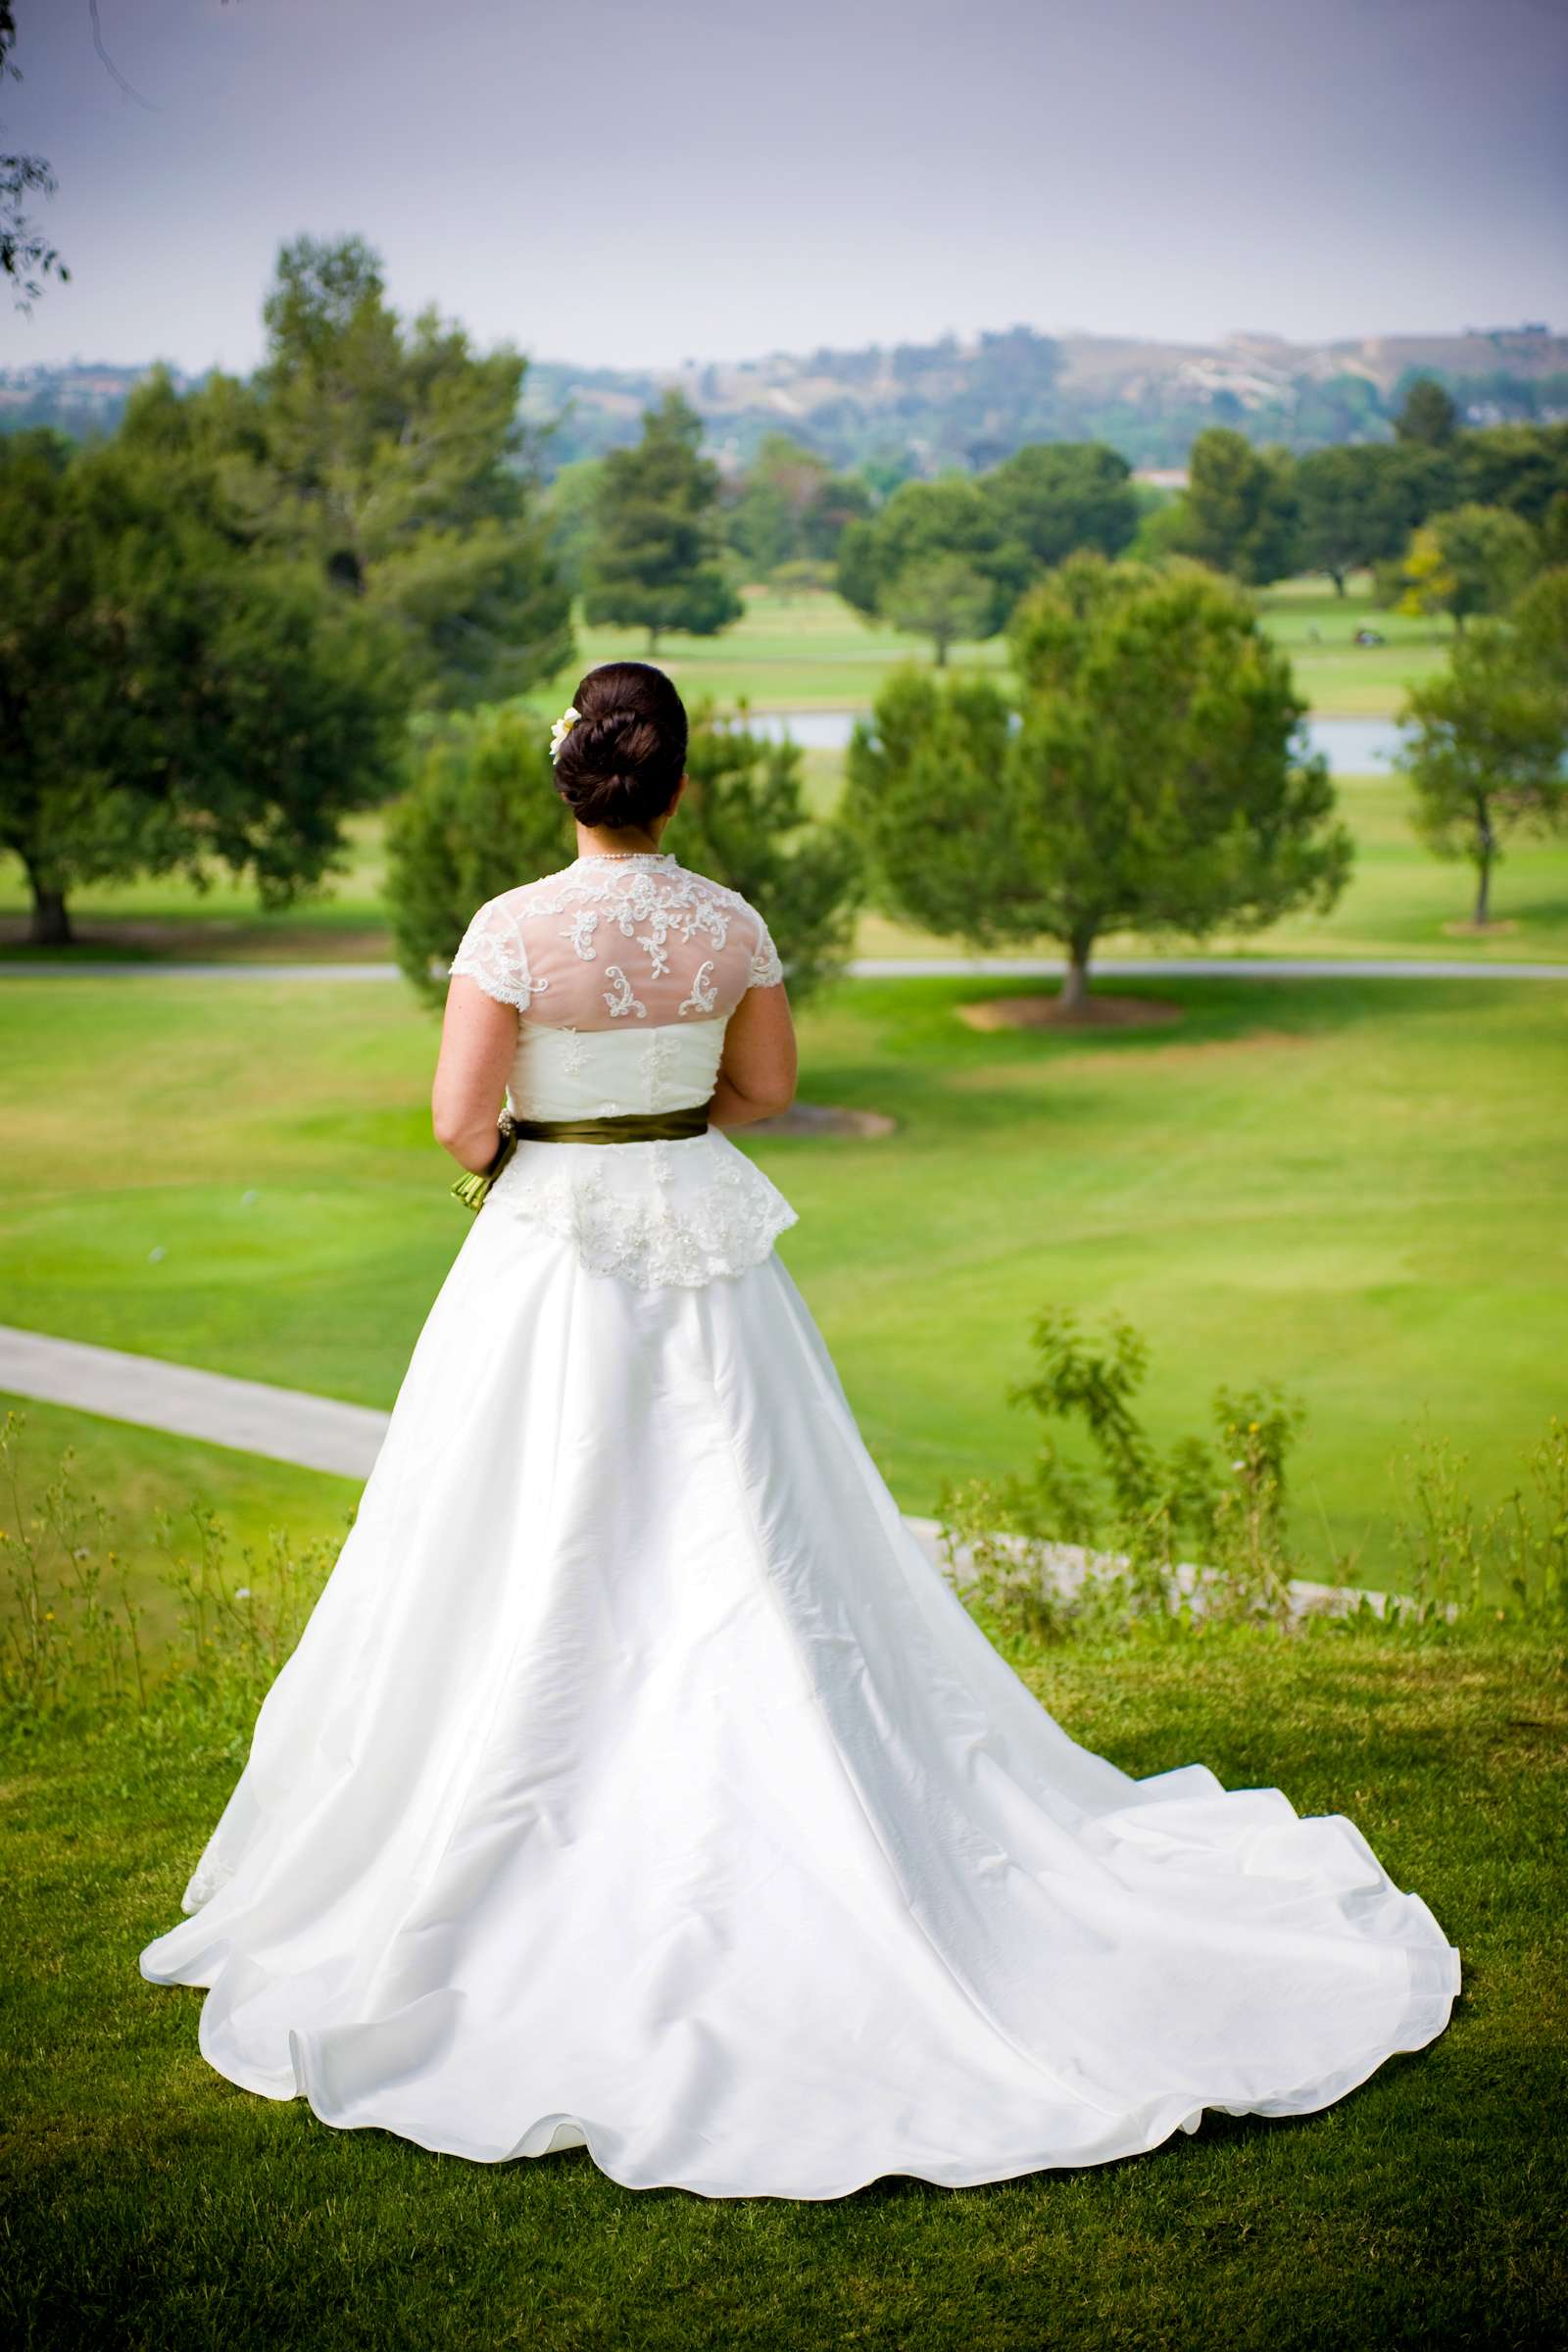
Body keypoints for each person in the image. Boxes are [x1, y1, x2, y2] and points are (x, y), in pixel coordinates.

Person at [140, 661, 1460, 2199]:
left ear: (568, 781)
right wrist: (662, 1116)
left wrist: (538, 1153)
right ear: (679, 786)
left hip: (550, 1243)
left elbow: (456, 1121)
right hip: (699, 1228)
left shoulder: (509, 929)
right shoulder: (729, 925)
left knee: (515, 1524)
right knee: (753, 1512)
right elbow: (764, 1089)